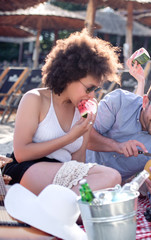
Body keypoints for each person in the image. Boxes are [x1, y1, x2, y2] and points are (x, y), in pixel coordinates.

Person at [3, 30, 122, 195]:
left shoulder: (84, 109)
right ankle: (65, 206)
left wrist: (84, 129)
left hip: (64, 175)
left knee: (107, 183)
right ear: (70, 75)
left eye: (96, 89)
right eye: (89, 88)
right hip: (27, 170)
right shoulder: (35, 99)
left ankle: (63, 207)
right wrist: (70, 137)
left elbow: (78, 163)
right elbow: (21, 153)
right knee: (111, 176)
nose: (92, 95)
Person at [86, 76, 151, 207]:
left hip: (111, 193)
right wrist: (117, 146)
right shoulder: (119, 102)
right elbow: (84, 137)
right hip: (79, 169)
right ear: (145, 102)